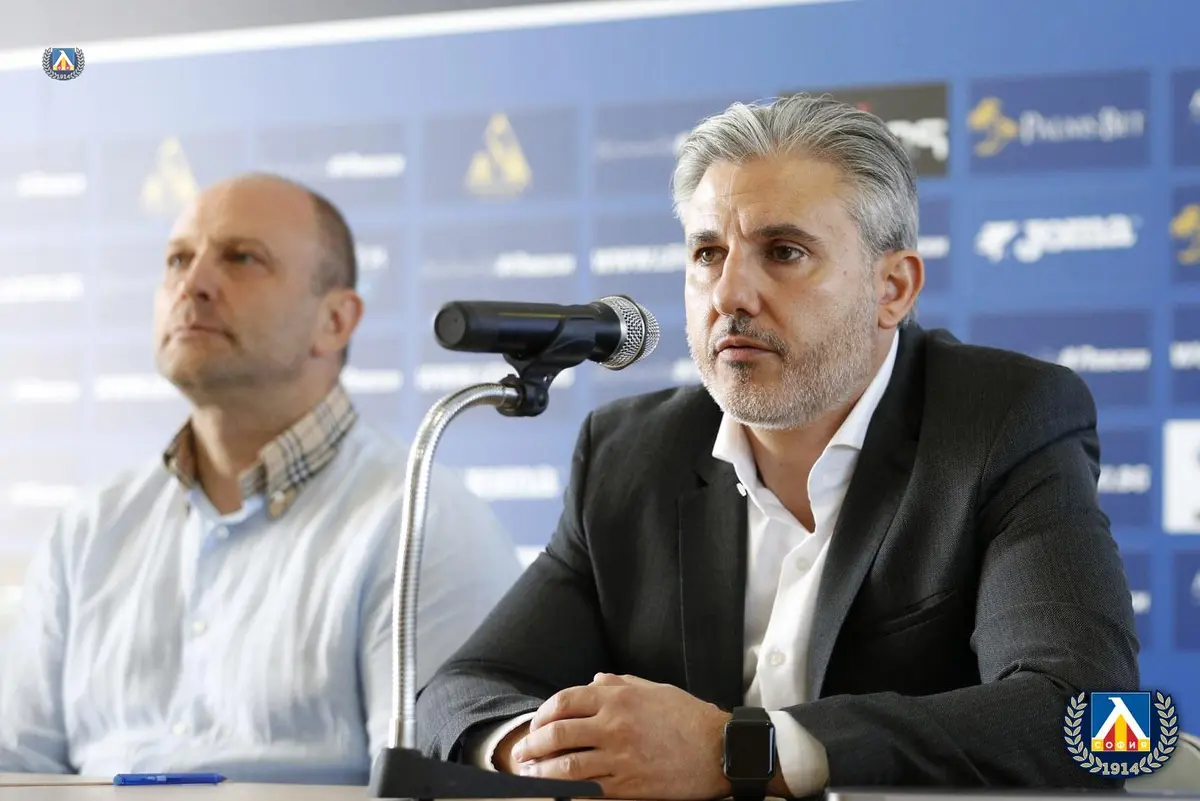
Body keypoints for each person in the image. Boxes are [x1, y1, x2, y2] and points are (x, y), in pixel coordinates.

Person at [415, 94, 1140, 798]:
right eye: (708, 253)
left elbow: (1093, 718)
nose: (729, 294)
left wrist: (736, 751)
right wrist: (543, 750)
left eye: (784, 251)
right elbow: (464, 691)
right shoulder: (629, 453)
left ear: (892, 288)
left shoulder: (1002, 423)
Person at [0, 173, 524, 784]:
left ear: (335, 320)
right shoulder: (90, 528)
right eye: (177, 260)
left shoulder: (423, 521)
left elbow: (432, 785)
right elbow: (16, 768)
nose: (193, 284)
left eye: (242, 258)